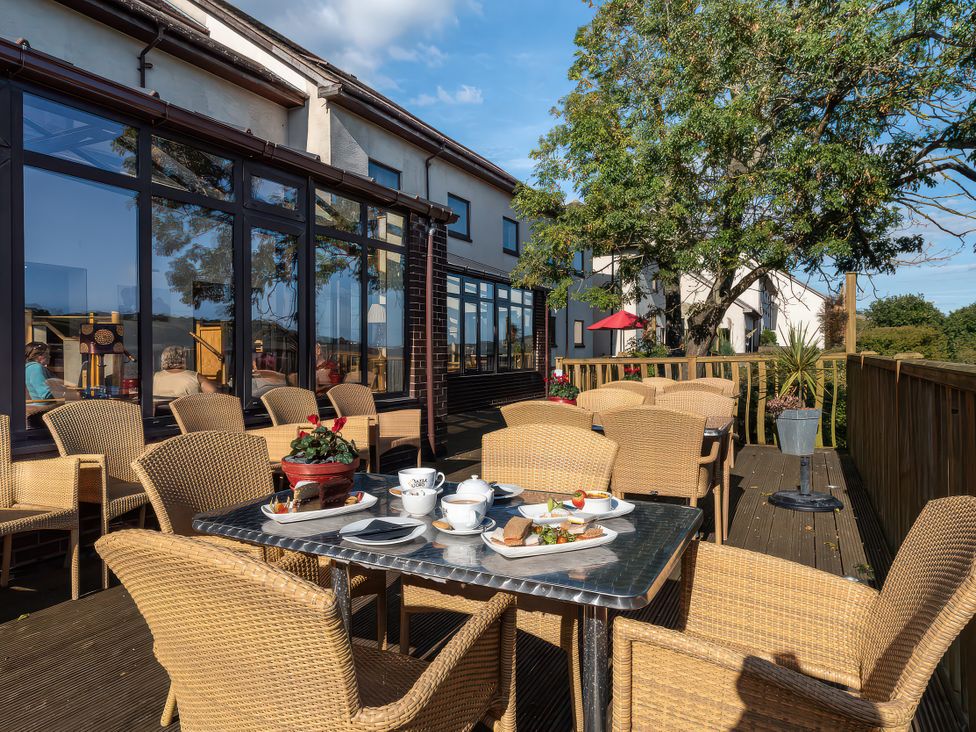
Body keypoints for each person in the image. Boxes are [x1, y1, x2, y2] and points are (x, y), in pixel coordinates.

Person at [153, 346, 218, 398]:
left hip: (157, 414)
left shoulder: (154, 377)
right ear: (183, 359)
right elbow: (215, 394)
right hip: (187, 414)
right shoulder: (195, 377)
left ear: (163, 359)